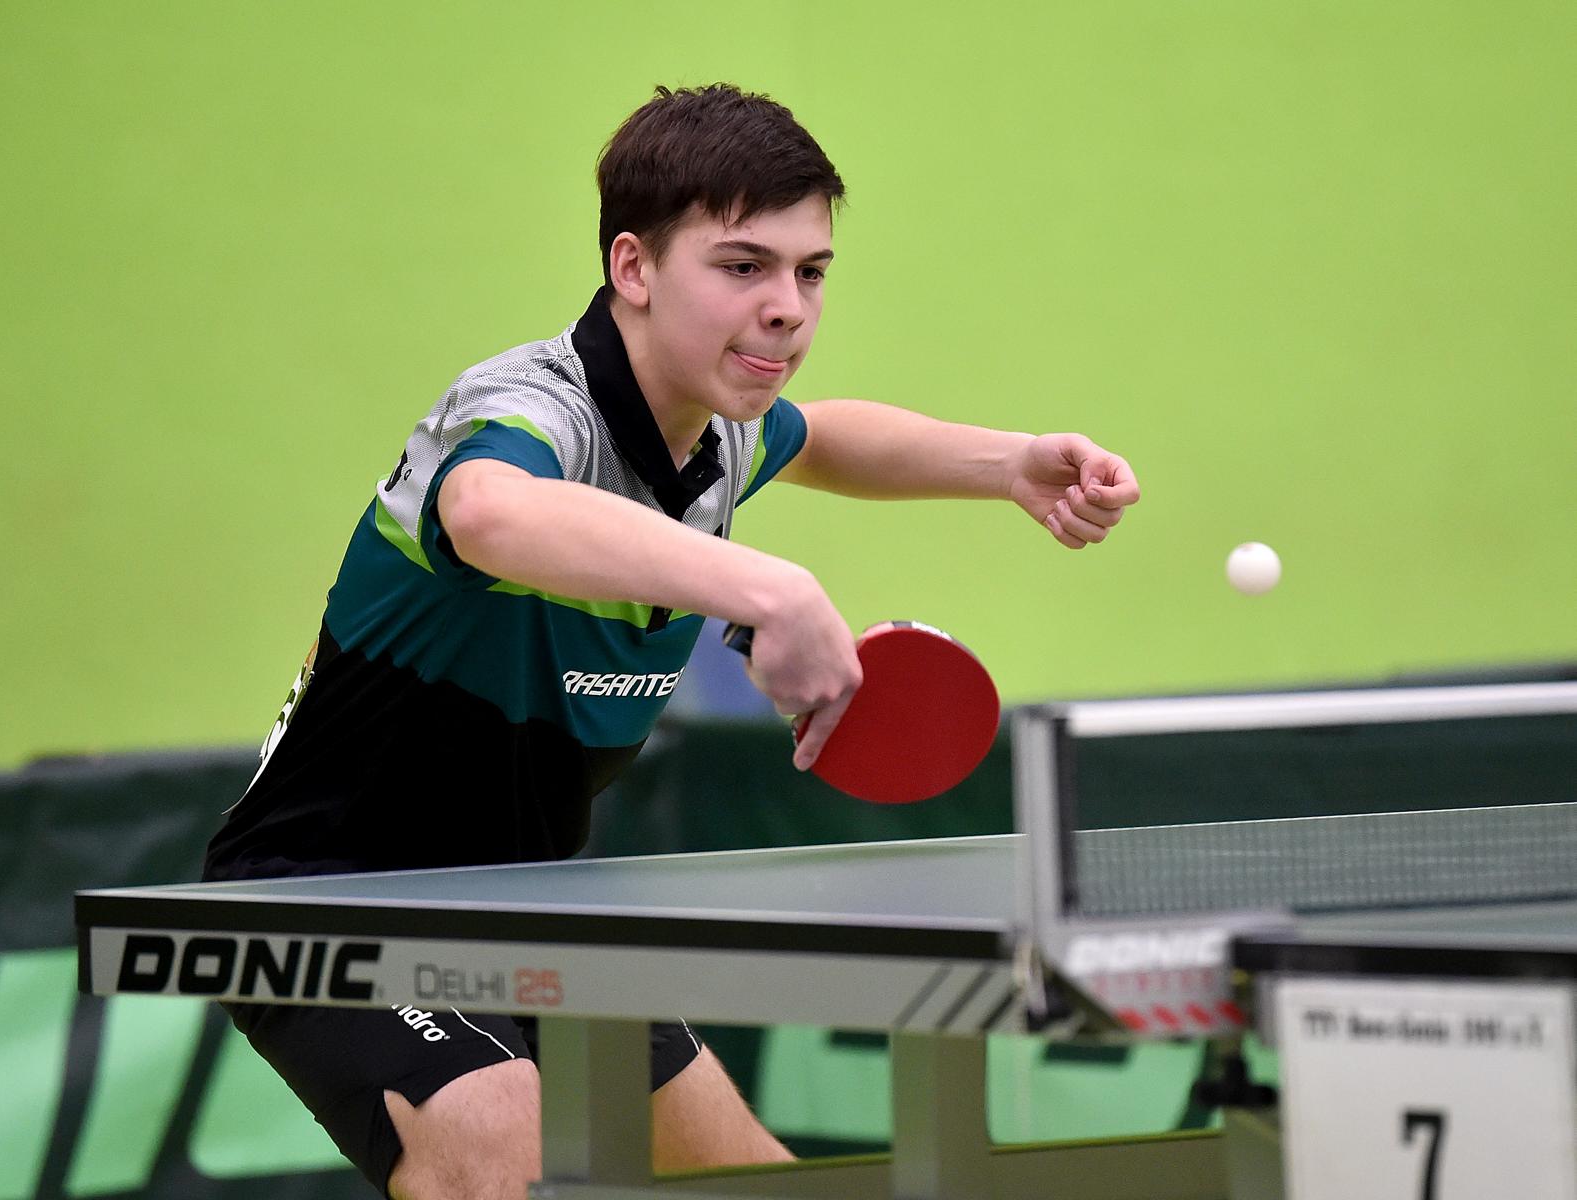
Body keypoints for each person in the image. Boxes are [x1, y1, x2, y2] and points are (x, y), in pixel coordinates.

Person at [203, 82, 1140, 1200]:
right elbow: (489, 513)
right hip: (322, 891)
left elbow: (824, 436)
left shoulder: (718, 432)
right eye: (743, 266)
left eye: (810, 272)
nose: (787, 307)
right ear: (634, 268)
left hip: (525, 902)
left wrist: (1009, 464)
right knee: (504, 1157)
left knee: (756, 1184)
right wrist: (773, 590)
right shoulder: (530, 411)